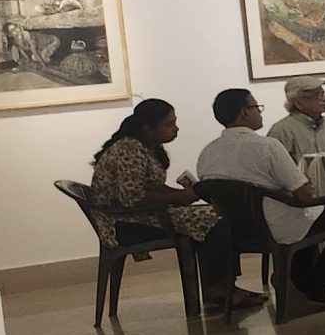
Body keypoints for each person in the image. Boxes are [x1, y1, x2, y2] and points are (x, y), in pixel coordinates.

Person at [87, 99, 259, 313]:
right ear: (148, 128)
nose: (175, 128)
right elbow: (132, 197)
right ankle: (218, 288)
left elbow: (152, 187)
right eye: (169, 124)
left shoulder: (145, 146)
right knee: (215, 221)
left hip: (143, 216)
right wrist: (179, 198)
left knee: (218, 214)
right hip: (125, 224)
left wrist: (182, 194)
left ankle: (224, 285)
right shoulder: (129, 149)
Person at [195, 88, 325, 306]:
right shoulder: (267, 146)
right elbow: (303, 193)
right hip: (277, 223)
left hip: (235, 228)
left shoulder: (208, 152)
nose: (260, 112)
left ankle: (299, 280)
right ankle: (315, 284)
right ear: (244, 112)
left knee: (313, 218)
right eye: (257, 107)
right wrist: (308, 184)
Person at [266, 76, 325, 161]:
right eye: (317, 95)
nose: (324, 98)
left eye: (323, 93)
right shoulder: (281, 130)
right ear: (298, 103)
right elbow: (275, 165)